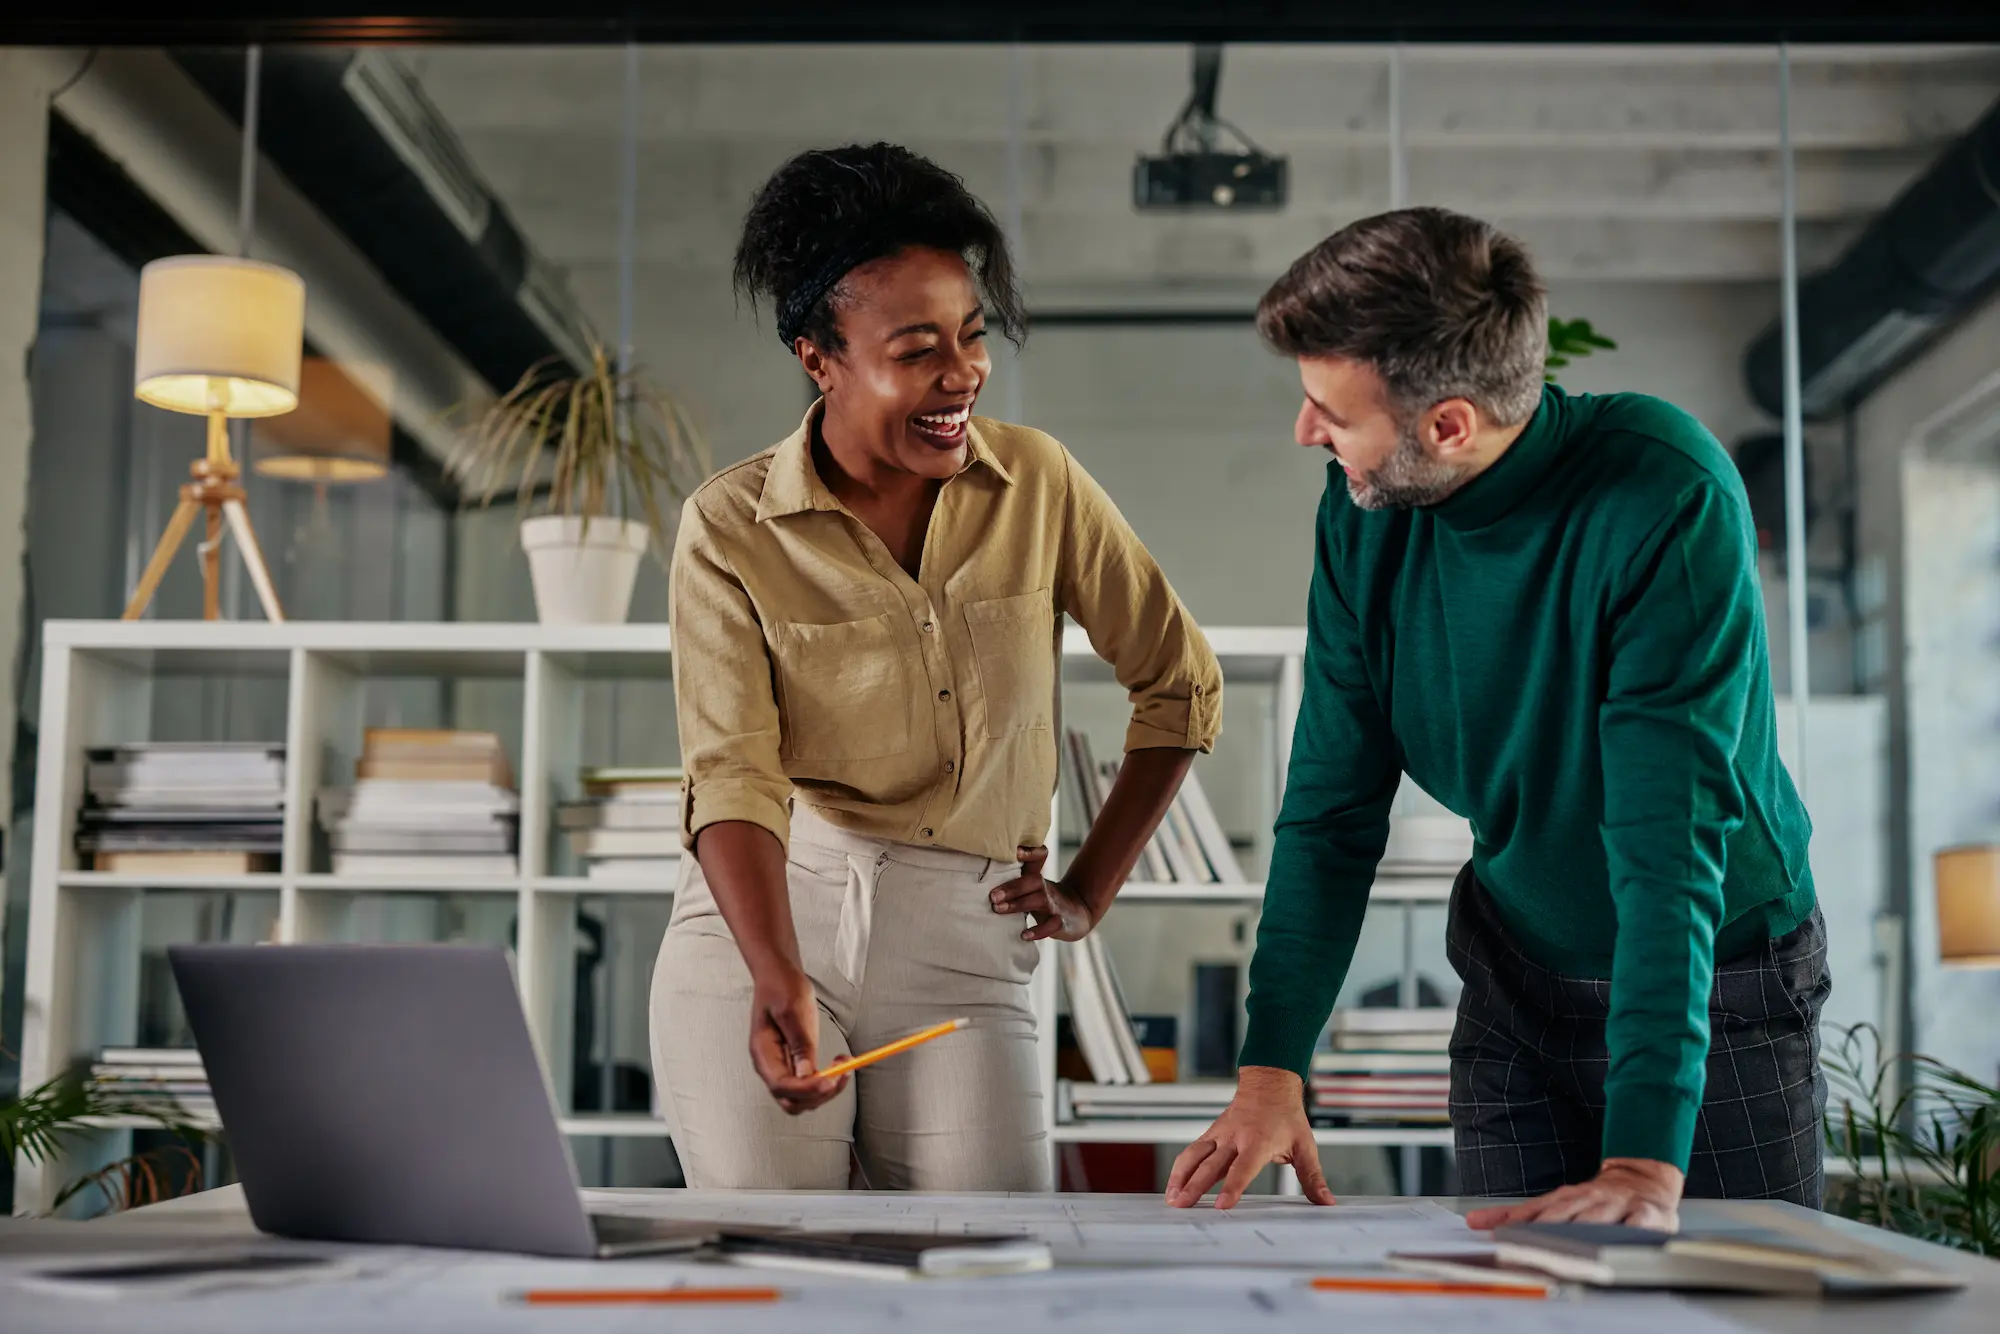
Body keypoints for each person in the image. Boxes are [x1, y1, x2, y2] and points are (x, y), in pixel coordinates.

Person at [1168, 207, 1828, 1228]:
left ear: (1446, 426)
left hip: (1717, 977)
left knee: (1733, 1297)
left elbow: (1665, 844)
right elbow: (1329, 809)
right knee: (1508, 1299)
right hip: (1514, 976)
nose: (1304, 431)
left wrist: (1647, 1163)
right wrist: (1269, 1072)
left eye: (1330, 412)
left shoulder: (1659, 494)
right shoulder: (1362, 516)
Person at [652, 143, 1221, 1192]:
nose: (960, 373)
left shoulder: (1037, 482)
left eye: (969, 336)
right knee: (778, 1274)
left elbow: (1178, 682)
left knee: (990, 1269)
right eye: (916, 349)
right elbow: (730, 772)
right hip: (775, 919)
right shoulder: (729, 527)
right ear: (816, 356)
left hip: (969, 933)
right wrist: (774, 973)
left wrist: (1089, 888)